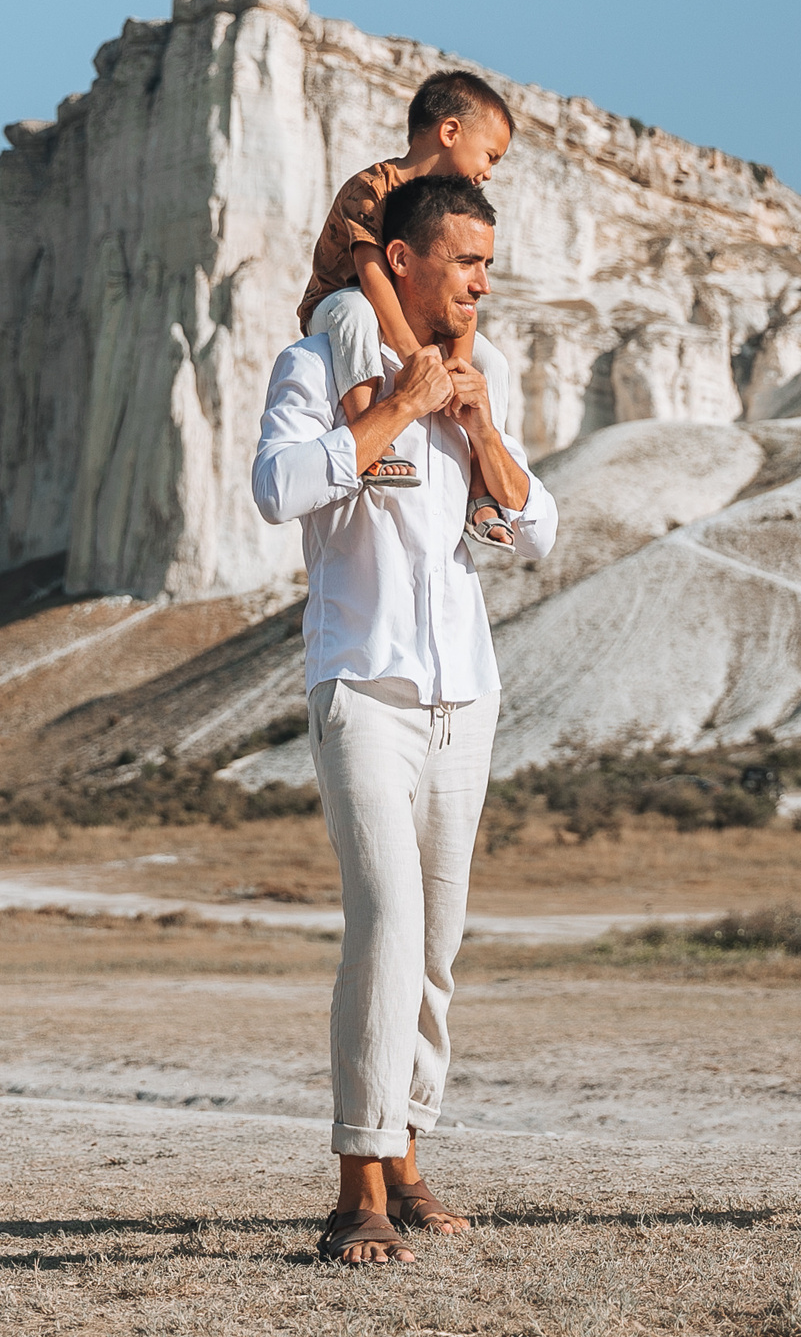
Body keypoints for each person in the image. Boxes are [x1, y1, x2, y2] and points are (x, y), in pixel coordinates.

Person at [252, 172, 560, 1266]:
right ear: (405, 259)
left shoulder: (477, 381)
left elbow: (536, 532)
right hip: (362, 690)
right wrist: (396, 408)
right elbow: (278, 487)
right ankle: (354, 1190)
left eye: (487, 262)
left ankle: (409, 1160)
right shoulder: (320, 360)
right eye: (466, 260)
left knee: (436, 949)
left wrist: (473, 422)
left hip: (461, 699)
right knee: (383, 924)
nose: (482, 280)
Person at [295, 70, 519, 554]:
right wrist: (416, 355)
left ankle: (480, 488)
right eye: (490, 155)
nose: (489, 172)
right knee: (355, 308)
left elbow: (462, 301)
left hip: (409, 314)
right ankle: (371, 437)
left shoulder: (450, 212)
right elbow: (372, 275)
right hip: (337, 302)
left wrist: (457, 364)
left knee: (492, 365)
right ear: (451, 132)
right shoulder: (372, 188)